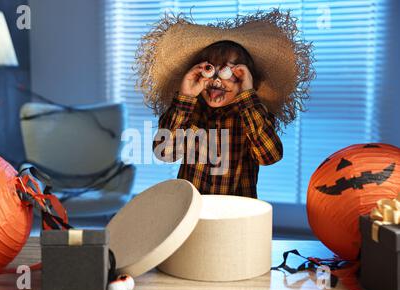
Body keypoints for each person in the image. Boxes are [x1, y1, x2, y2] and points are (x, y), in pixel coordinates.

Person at [135, 9, 315, 198]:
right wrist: (185, 97)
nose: (217, 81)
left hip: (236, 215)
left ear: (245, 78)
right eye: (208, 69)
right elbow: (165, 153)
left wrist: (247, 94)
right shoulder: (190, 112)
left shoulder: (253, 115)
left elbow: (270, 155)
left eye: (228, 72)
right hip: (194, 212)